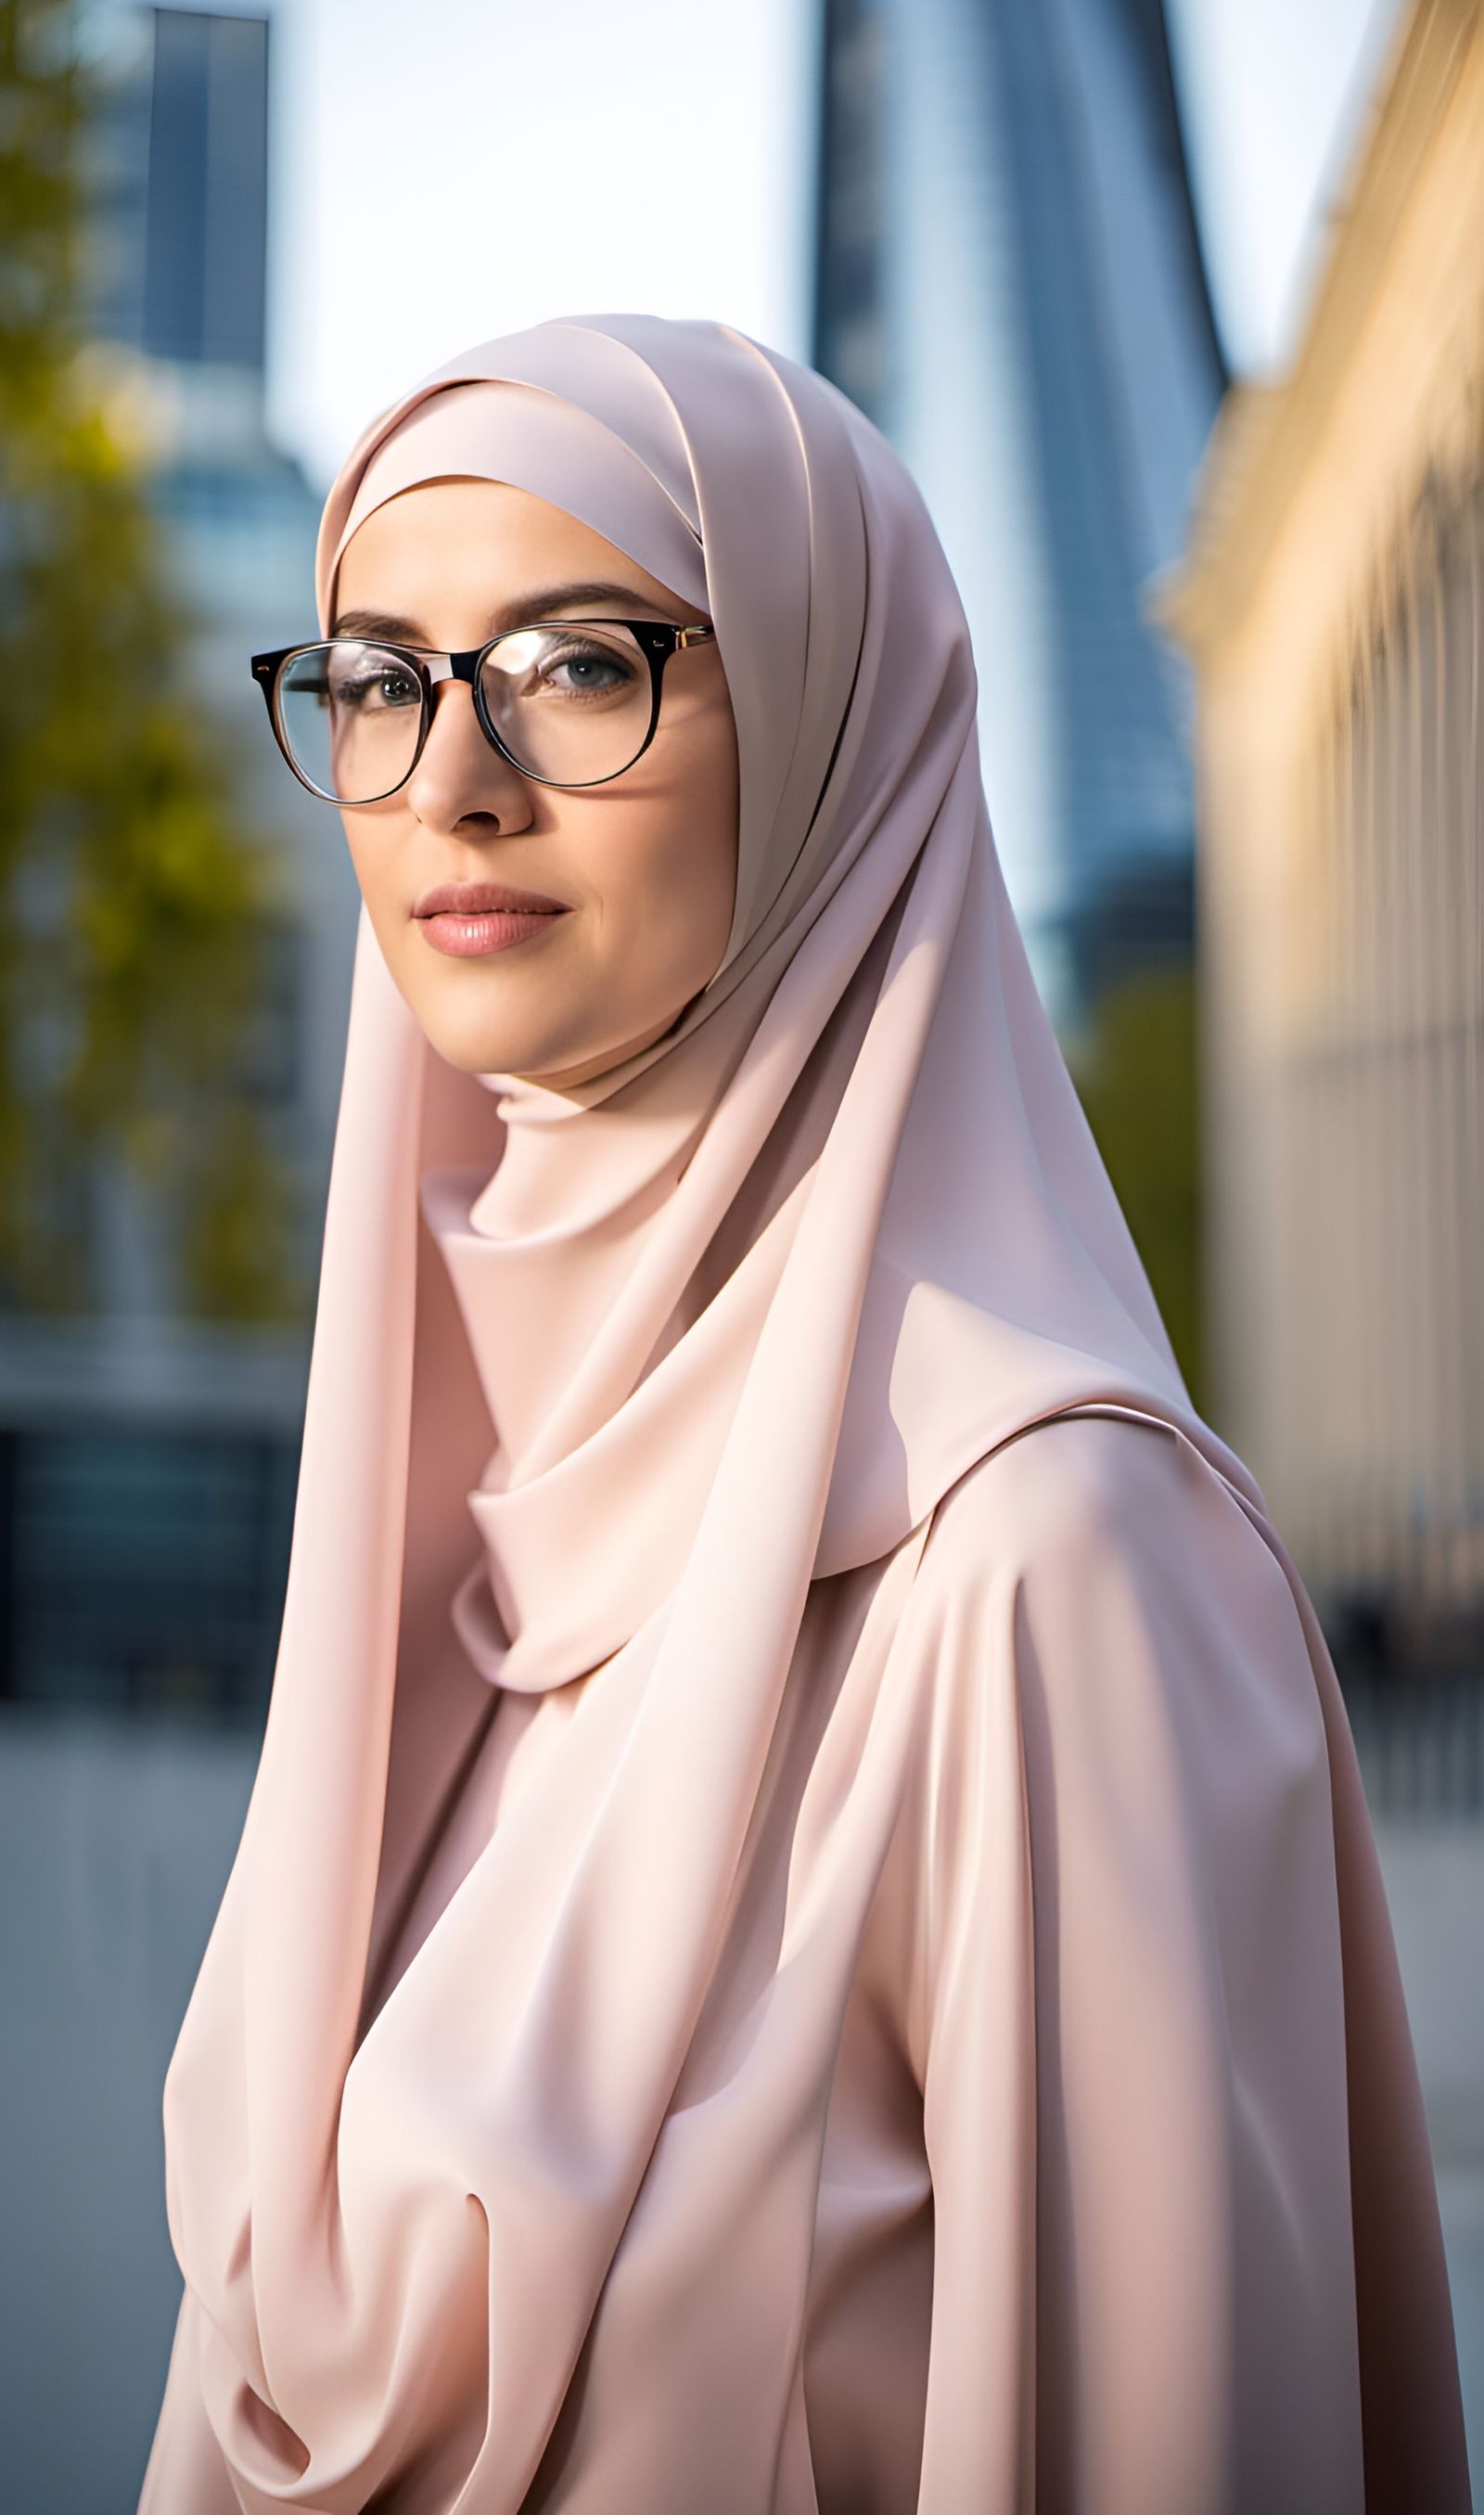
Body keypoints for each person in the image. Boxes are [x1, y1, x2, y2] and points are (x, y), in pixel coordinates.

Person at [136, 314, 1470, 2515]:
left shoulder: (1051, 1569)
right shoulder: (467, 1553)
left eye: (578, 661)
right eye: (378, 677)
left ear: (834, 722)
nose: (457, 776)